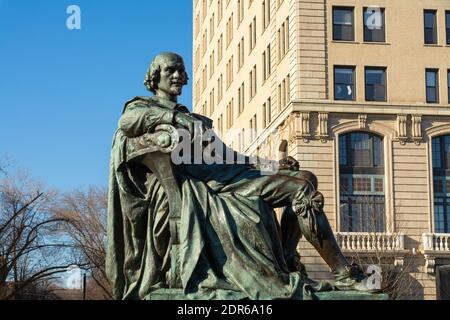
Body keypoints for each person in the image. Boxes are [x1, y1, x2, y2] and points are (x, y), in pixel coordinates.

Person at [106, 52, 373, 300]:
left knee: (305, 178)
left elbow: (229, 155)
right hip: (204, 188)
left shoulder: (196, 119)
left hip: (231, 175)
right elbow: (127, 123)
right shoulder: (140, 107)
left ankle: (288, 261)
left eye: (180, 71)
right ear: (155, 78)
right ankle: (344, 275)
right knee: (300, 190)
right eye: (170, 70)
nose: (177, 76)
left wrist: (272, 165)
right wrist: (174, 119)